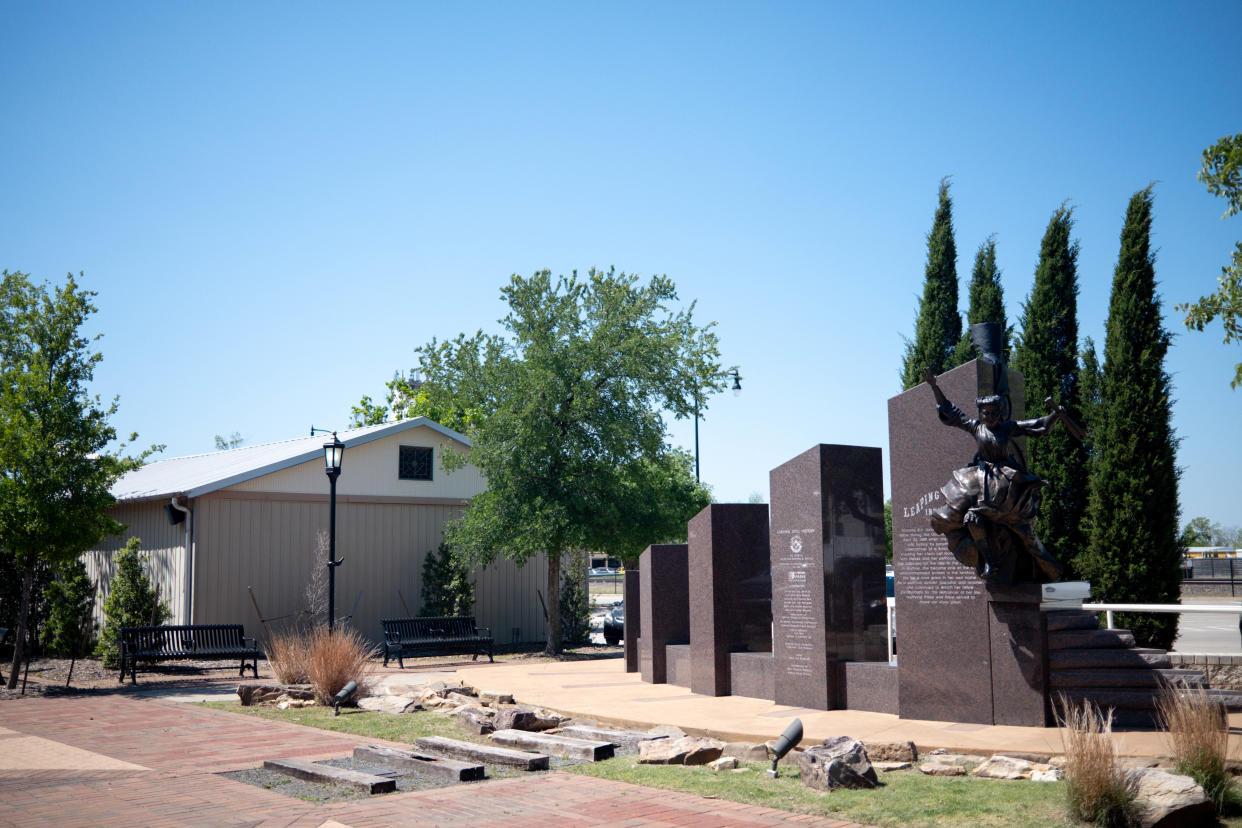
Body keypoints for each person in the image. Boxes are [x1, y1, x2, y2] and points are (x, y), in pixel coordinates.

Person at [921, 367, 1066, 585]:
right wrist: (934, 386)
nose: (988, 416)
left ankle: (1050, 569)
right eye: (985, 413)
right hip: (981, 478)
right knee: (971, 517)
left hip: (1005, 480)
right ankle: (989, 561)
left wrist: (1055, 415)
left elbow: (1038, 426)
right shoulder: (976, 427)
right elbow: (951, 412)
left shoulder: (1008, 428)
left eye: (993, 412)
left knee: (1025, 535)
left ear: (1000, 412)